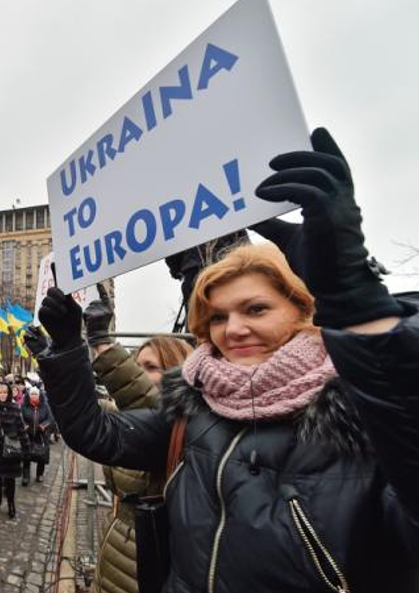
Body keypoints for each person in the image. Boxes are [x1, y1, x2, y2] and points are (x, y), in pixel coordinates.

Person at [32, 128, 419, 593]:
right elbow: (96, 433)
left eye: (256, 309)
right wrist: (70, 347)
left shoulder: (363, 415)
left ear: (302, 310)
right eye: (216, 317)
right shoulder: (198, 409)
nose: (233, 329)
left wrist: (357, 302)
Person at [81, 295, 193, 593]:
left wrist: (104, 347)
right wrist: (58, 359)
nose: (141, 373)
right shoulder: (120, 414)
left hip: (151, 566)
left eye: (151, 367)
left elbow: (152, 406)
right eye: (136, 365)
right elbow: (82, 414)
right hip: (115, 551)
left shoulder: (189, 424)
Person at [0, 381, 29, 518]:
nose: (3, 395)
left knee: (10, 479)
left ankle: (11, 504)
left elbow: (21, 429)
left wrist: (26, 448)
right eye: (0, 392)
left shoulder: (15, 407)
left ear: (9, 393)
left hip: (11, 448)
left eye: (5, 392)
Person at [21, 386, 52, 486]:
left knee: (41, 455)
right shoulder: (24, 406)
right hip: (27, 435)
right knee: (26, 456)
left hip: (41, 435)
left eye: (35, 394)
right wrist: (24, 425)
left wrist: (43, 426)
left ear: (39, 395)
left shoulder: (45, 406)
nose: (34, 396)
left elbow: (50, 419)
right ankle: (25, 476)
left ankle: (40, 474)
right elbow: (20, 417)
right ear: (29, 396)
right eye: (32, 394)